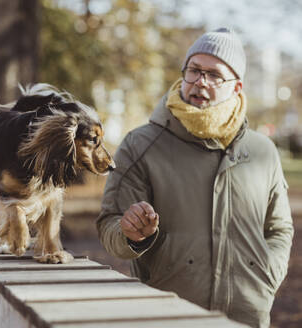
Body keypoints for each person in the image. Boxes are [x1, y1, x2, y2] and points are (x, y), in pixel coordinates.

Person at [96, 27, 293, 328]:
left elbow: (279, 227)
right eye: (194, 70)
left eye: (214, 75)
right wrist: (130, 234)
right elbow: (110, 223)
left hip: (248, 315)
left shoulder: (262, 150)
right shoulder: (141, 144)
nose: (201, 82)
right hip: (169, 313)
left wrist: (267, 276)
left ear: (237, 87)